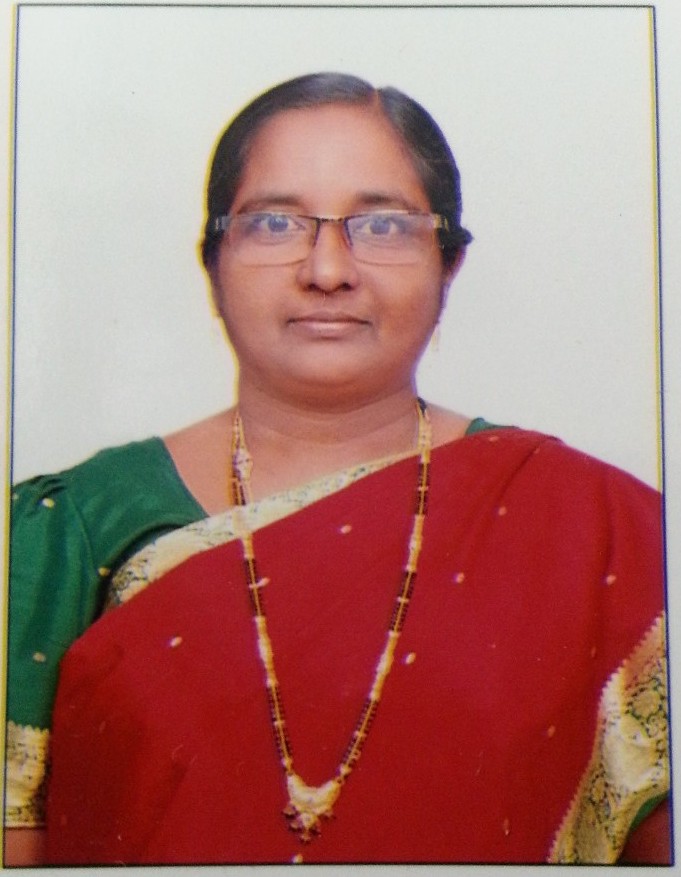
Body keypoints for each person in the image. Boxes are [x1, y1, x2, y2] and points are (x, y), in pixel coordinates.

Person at [4, 72, 669, 866]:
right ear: (212, 260)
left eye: (382, 225)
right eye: (274, 222)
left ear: (448, 263)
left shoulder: (594, 531)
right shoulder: (72, 528)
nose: (326, 269)